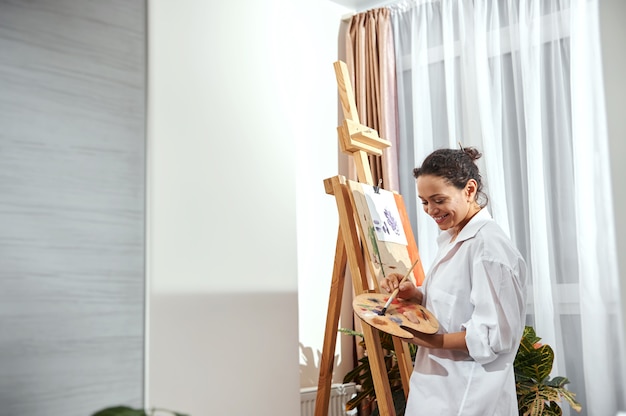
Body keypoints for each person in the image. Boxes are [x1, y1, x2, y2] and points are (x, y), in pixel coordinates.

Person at [380, 146, 527, 416]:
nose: (430, 210)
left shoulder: (488, 249)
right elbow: (458, 303)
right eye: (424, 202)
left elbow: (497, 336)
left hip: (469, 395)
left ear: (469, 190)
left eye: (438, 200)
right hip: (437, 388)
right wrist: (417, 294)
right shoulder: (452, 238)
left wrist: (431, 341)